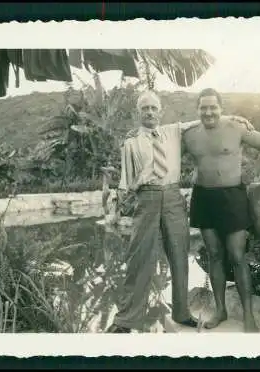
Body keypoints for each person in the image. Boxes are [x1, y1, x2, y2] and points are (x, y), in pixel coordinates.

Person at [183, 88, 260, 333]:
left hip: (232, 196)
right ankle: (221, 310)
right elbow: (163, 135)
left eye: (212, 107)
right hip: (204, 197)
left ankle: (249, 316)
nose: (208, 112)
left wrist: (253, 172)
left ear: (220, 108)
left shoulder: (235, 128)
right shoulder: (190, 135)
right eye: (203, 107)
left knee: (237, 256)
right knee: (214, 255)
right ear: (197, 110)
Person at [106, 90, 201, 333]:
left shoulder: (173, 131)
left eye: (153, 108)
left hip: (172, 195)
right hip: (145, 196)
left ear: (161, 111)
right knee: (139, 258)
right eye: (145, 108)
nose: (149, 112)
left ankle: (182, 313)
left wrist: (236, 120)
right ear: (138, 113)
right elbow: (126, 180)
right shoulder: (130, 143)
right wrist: (116, 209)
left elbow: (204, 119)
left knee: (179, 255)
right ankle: (127, 320)